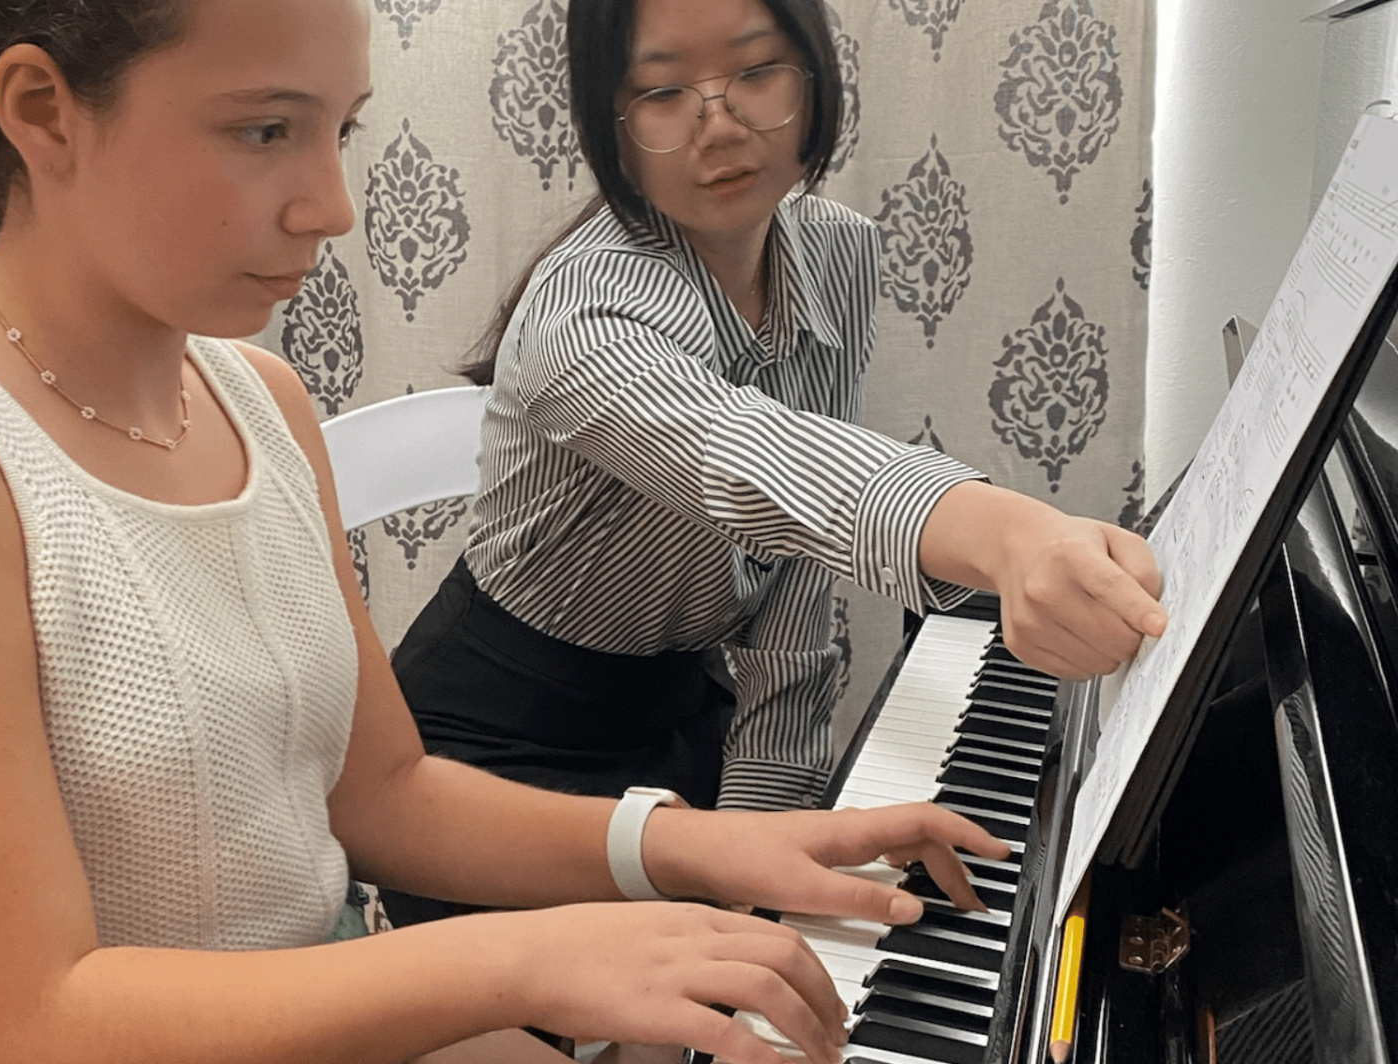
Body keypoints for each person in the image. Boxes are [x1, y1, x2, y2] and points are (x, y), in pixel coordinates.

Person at [0, 1, 1037, 1064]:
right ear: (42, 110)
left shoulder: (259, 400)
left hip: (326, 1038)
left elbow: (383, 793)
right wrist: (524, 960)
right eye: (264, 130)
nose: (330, 206)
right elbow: (30, 1033)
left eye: (340, 131)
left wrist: (712, 845)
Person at [384, 0, 1168, 928]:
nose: (720, 124)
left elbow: (794, 592)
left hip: (675, 715)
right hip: (492, 757)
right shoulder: (580, 322)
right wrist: (1010, 533)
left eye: (756, 73)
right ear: (613, 124)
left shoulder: (833, 253)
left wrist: (765, 886)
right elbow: (756, 465)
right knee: (636, 1040)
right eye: (665, 91)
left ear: (814, 78)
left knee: (754, 991)